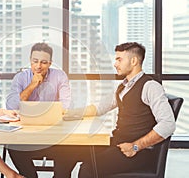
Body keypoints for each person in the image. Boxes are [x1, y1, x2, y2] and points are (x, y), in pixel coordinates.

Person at [57, 42, 176, 177]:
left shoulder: (150, 87)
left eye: (119, 59)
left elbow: (168, 124)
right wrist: (67, 113)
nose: (115, 64)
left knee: (88, 169)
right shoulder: (123, 87)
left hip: (136, 153)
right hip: (117, 144)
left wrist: (136, 146)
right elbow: (99, 108)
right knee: (65, 154)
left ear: (133, 61)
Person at [5, 42, 72, 178]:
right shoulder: (21, 78)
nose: (38, 66)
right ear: (30, 60)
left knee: (71, 149)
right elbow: (11, 106)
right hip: (27, 137)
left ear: (50, 63)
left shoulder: (60, 76)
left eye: (44, 62)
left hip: (54, 136)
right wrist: (33, 84)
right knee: (13, 148)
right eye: (35, 61)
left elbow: (66, 105)